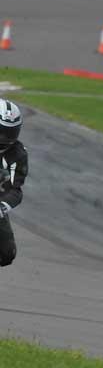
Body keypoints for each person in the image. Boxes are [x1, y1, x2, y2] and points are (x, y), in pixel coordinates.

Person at [0, 99, 28, 267]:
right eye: (1, 131)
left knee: (7, 253)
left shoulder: (17, 154)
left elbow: (15, 190)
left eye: (10, 132)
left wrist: (2, 207)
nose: (4, 138)